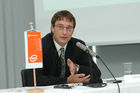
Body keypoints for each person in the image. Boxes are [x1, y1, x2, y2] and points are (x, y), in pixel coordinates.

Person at [39, 10, 102, 86]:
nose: (65, 32)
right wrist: (66, 81)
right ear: (52, 28)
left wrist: (76, 68)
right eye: (60, 27)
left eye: (69, 28)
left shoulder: (78, 45)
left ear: (73, 31)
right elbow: (33, 80)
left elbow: (96, 73)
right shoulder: (40, 46)